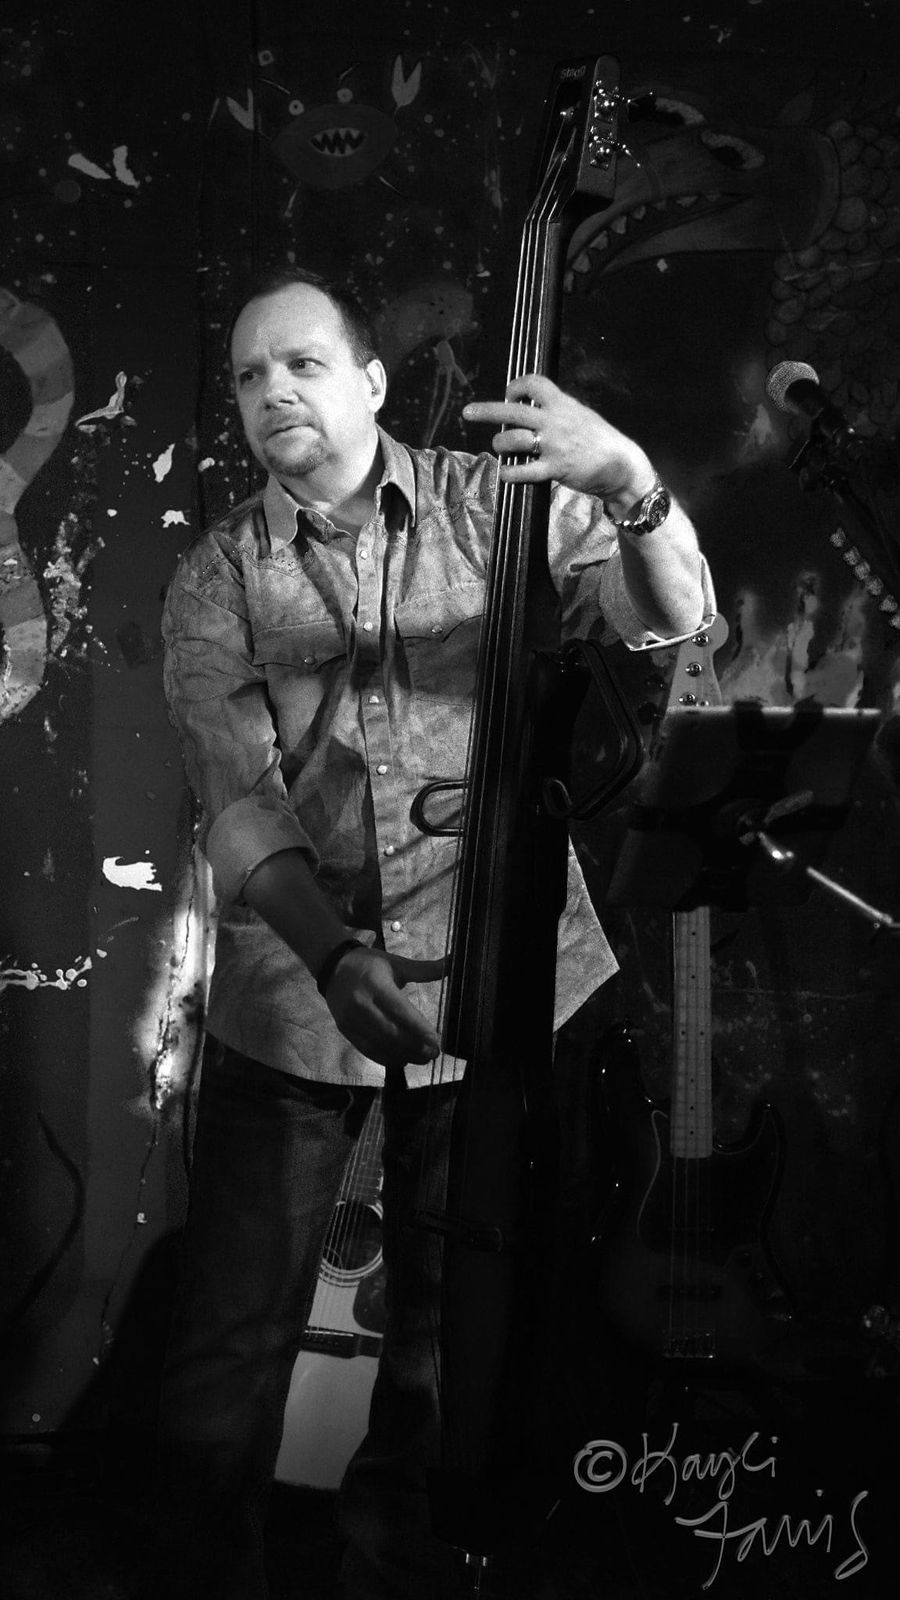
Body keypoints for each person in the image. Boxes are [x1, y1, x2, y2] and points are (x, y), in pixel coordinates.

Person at [156, 265, 713, 1600]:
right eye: (249, 375)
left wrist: (633, 486)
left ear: (370, 381)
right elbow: (240, 803)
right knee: (227, 1348)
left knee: (441, 1347)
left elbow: (671, 622)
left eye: (301, 363)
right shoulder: (215, 578)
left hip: (500, 980)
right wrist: (333, 954)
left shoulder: (493, 508)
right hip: (300, 998)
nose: (273, 391)